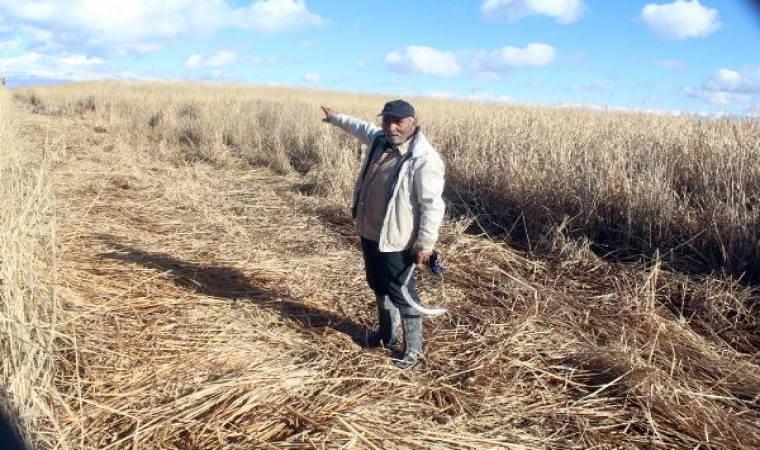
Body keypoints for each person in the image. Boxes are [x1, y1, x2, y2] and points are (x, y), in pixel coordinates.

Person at [320, 99, 446, 369]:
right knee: (378, 285)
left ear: (413, 122)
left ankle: (413, 351)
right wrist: (336, 117)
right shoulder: (380, 139)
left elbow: (432, 205)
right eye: (386, 119)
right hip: (370, 231)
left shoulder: (423, 158)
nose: (391, 125)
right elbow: (361, 127)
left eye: (397, 121)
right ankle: (386, 336)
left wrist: (424, 244)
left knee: (403, 294)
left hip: (397, 240)